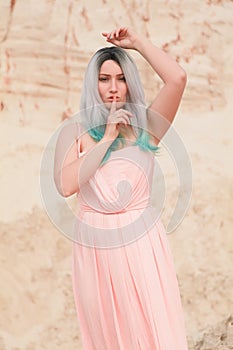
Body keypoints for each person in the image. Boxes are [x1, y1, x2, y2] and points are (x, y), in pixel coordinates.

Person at [54, 27, 188, 349]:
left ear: (130, 83)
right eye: (104, 79)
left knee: (154, 328)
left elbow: (178, 79)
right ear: (92, 83)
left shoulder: (147, 126)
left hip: (142, 243)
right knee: (110, 334)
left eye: (121, 78)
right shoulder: (73, 130)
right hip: (96, 246)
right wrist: (109, 138)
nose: (113, 88)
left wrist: (139, 43)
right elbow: (65, 185)